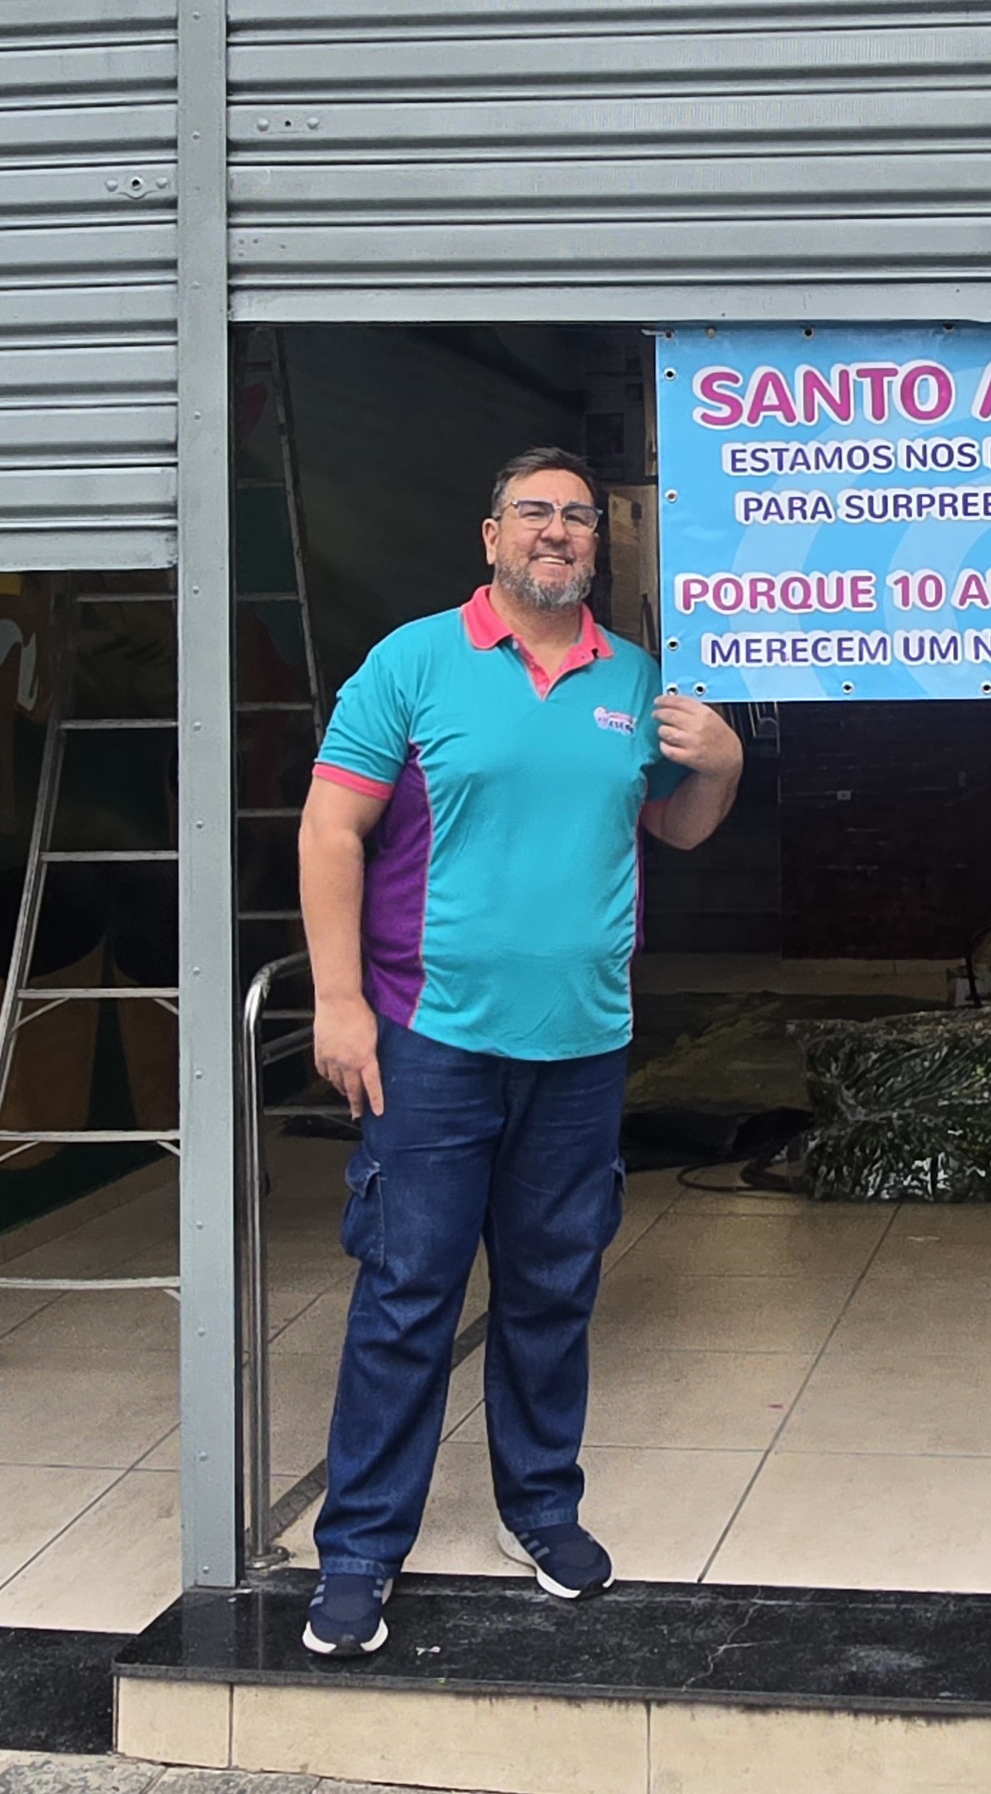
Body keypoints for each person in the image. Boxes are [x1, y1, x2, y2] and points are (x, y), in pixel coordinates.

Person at [295, 446, 744, 1658]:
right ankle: (359, 1548)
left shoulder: (635, 678)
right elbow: (332, 828)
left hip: (584, 1043)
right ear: (490, 535)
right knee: (409, 1291)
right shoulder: (412, 662)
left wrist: (725, 764)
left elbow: (677, 825)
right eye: (533, 512)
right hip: (429, 1036)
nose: (557, 530)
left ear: (600, 542)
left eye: (578, 516)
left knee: (553, 1286)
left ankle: (540, 1506)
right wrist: (338, 1000)